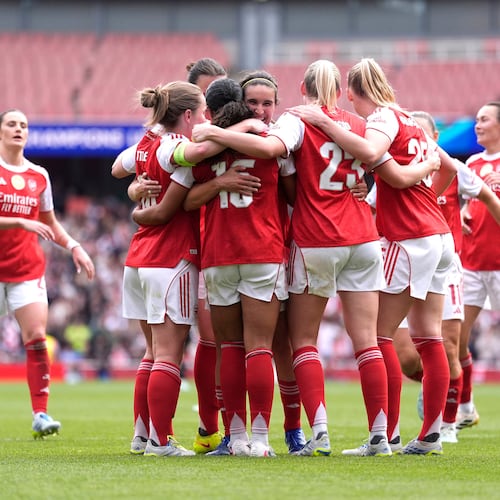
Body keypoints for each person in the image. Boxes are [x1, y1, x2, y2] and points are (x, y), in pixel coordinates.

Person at [191, 59, 441, 457]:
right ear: (340, 91)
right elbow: (376, 162)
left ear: (301, 89)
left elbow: (278, 161)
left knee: (300, 341)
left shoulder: (295, 120)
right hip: (362, 238)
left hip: (315, 238)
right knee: (371, 341)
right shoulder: (361, 124)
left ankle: (317, 433)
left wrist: (214, 131)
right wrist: (364, 182)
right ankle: (381, 435)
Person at [287, 58, 458, 455]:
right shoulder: (410, 118)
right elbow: (446, 167)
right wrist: (424, 195)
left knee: (376, 338)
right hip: (439, 235)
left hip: (409, 237)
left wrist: (326, 123)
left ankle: (387, 434)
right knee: (429, 336)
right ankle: (431, 433)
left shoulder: (382, 119)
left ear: (350, 92)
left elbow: (380, 159)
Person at [135, 77, 289, 457]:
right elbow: (293, 192)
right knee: (259, 349)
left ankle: (235, 439)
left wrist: (137, 189)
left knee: (230, 348)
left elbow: (186, 202)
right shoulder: (269, 141)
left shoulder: (203, 151)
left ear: (210, 112)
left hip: (218, 256)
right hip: (262, 251)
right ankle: (261, 440)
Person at [112, 80, 236, 457]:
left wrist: (136, 188)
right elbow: (197, 154)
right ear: (187, 115)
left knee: (151, 355)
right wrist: (243, 129)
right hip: (171, 259)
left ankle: (142, 435)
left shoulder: (148, 144)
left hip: (138, 261)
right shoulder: (173, 148)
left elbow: (118, 166)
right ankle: (160, 443)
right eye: (201, 112)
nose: (205, 119)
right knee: (167, 355)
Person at [383, 111, 500, 443]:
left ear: (435, 136)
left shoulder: (453, 169)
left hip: (445, 268)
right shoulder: (398, 174)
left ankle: (446, 422)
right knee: (407, 358)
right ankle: (439, 388)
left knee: (449, 344)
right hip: (407, 265)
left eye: (425, 132)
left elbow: (486, 197)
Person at [0, 109, 95, 438]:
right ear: (0, 131)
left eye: (23, 125)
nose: (18, 129)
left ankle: (40, 413)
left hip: (25, 268)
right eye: (11, 124)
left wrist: (74, 246)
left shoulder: (38, 175)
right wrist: (18, 221)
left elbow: (50, 223)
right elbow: (28, 222)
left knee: (37, 338)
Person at [457, 101, 500, 431]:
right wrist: (461, 215)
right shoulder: (471, 162)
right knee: (457, 336)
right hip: (472, 262)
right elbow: (458, 205)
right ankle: (466, 406)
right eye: (476, 119)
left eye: (484, 119)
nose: (478, 124)